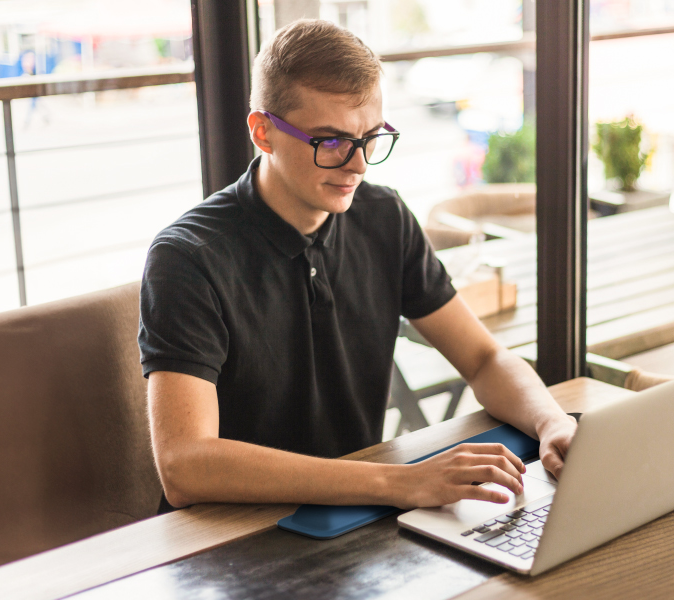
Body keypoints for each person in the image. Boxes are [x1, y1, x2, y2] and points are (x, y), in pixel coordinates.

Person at [138, 19, 577, 513]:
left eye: (370, 137)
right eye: (330, 142)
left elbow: (483, 359)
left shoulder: (383, 216)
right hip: (230, 535)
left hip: (355, 514)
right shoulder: (187, 258)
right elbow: (185, 466)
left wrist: (550, 421)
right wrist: (399, 482)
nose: (359, 164)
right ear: (263, 132)